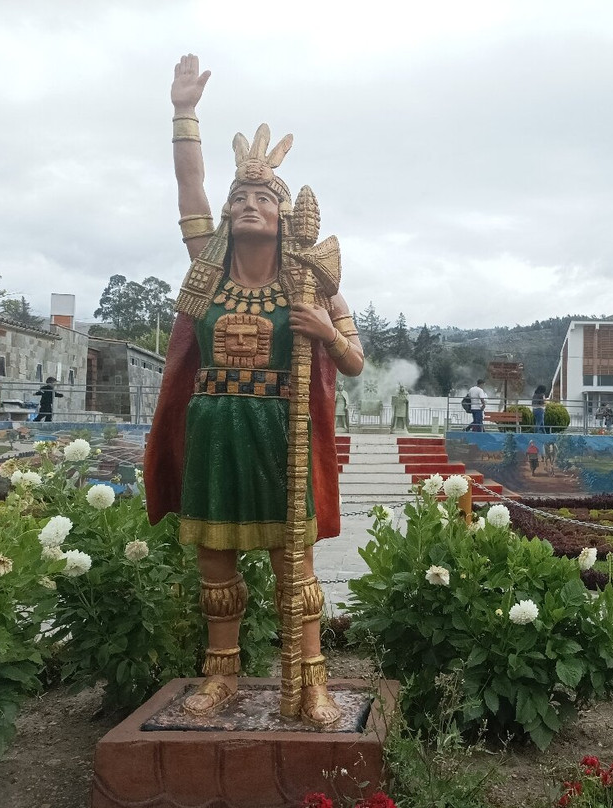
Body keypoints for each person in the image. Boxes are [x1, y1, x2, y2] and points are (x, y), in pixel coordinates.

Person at [144, 55, 365, 724]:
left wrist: (324, 329)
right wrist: (185, 113)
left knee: (293, 570)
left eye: (262, 199)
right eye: (239, 197)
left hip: (281, 431)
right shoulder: (205, 271)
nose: (247, 206)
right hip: (215, 426)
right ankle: (221, 679)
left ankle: (313, 682)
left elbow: (355, 360)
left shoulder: (311, 282)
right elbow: (189, 189)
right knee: (217, 567)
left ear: (281, 216)